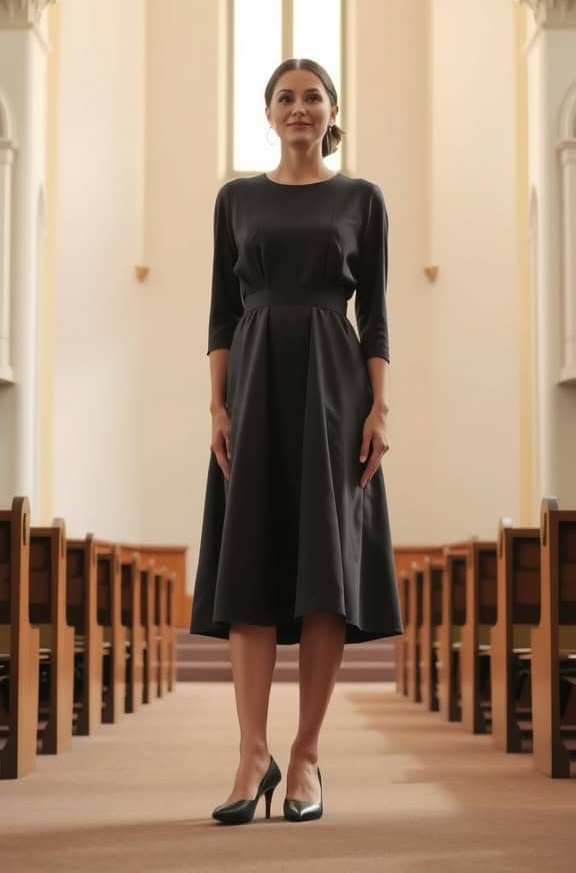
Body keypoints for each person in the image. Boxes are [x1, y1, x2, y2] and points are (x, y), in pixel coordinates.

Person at [190, 58, 403, 824]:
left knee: (324, 568)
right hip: (251, 382)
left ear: (333, 109)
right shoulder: (236, 199)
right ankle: (252, 753)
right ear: (268, 113)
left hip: (335, 389)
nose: (299, 108)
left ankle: (307, 754)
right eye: (286, 97)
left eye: (312, 97)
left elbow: (374, 313)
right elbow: (221, 309)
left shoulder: (362, 199)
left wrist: (380, 407)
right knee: (247, 562)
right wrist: (215, 405)